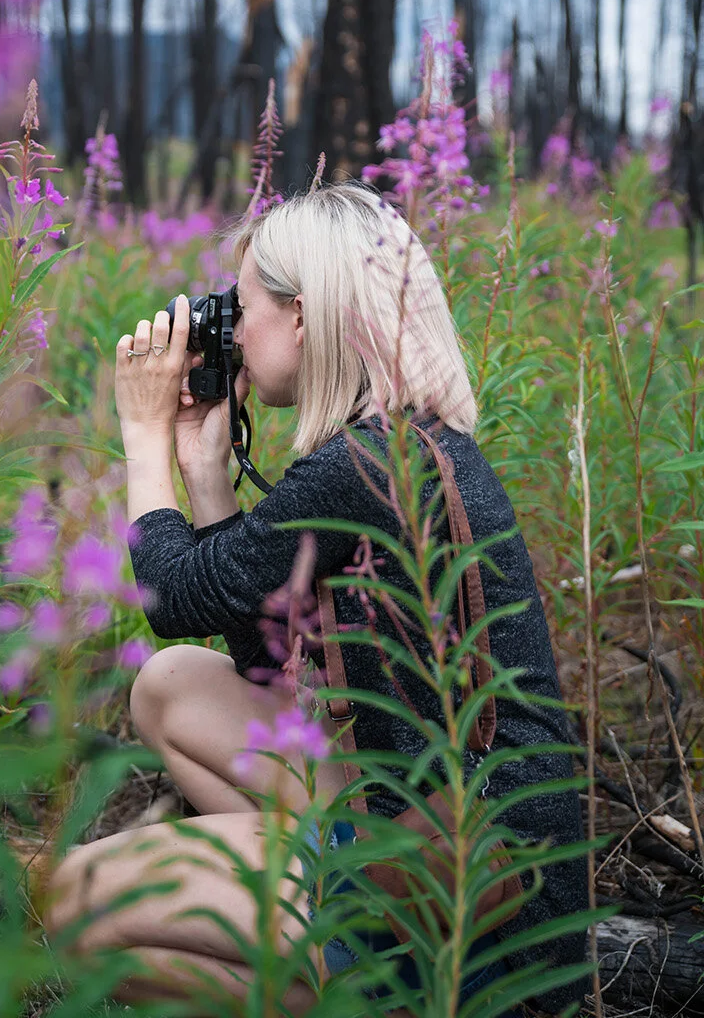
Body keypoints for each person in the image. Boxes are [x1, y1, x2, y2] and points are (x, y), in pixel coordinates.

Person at [44, 183, 587, 1015]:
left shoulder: (360, 468)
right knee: (172, 685)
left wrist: (142, 434)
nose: (233, 325)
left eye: (245, 304)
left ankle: (364, 980)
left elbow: (172, 593)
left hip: (463, 905)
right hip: (442, 822)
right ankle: (308, 912)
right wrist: (202, 472)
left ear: (303, 317)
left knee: (79, 900)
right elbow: (272, 660)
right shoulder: (403, 442)